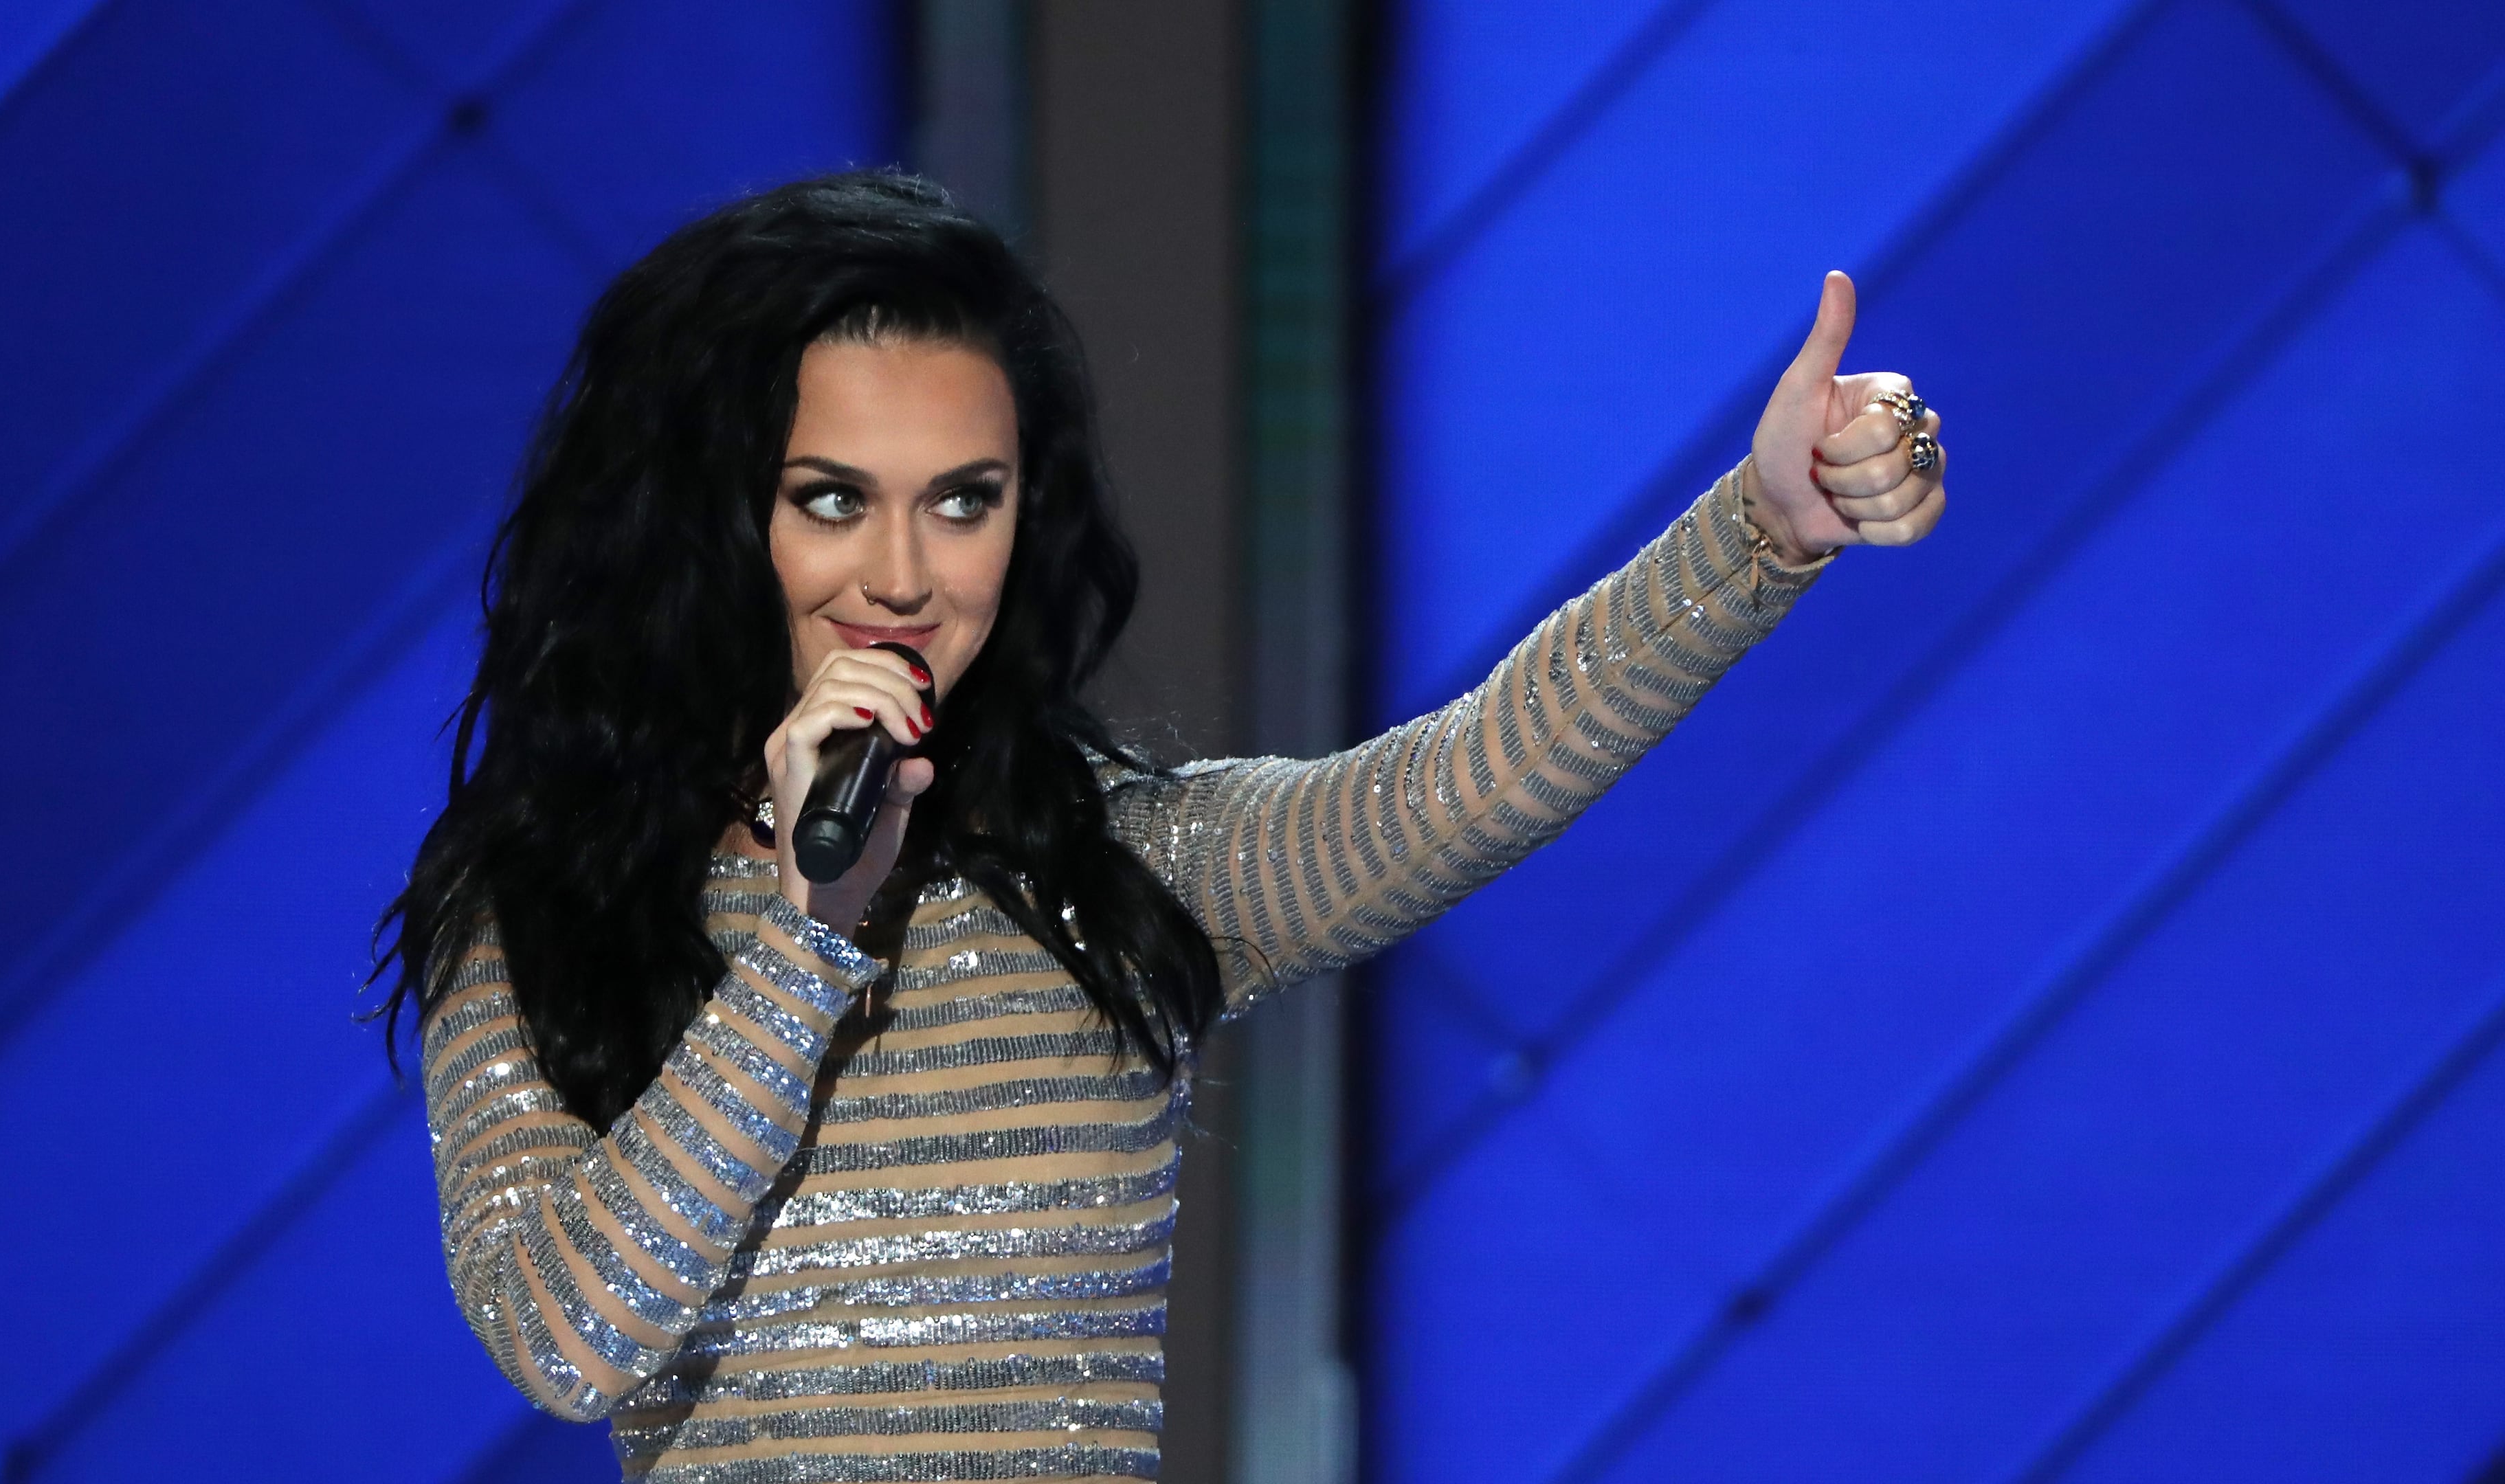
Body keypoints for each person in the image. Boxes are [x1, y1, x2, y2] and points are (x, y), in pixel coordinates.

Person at [378, 172, 1944, 1481]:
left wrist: (1758, 531)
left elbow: (1465, 779)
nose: (908, 577)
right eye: (834, 500)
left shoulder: (1123, 871)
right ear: (708, 518)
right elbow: (565, 1341)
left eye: (966, 499)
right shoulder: (544, 909)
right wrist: (806, 942)